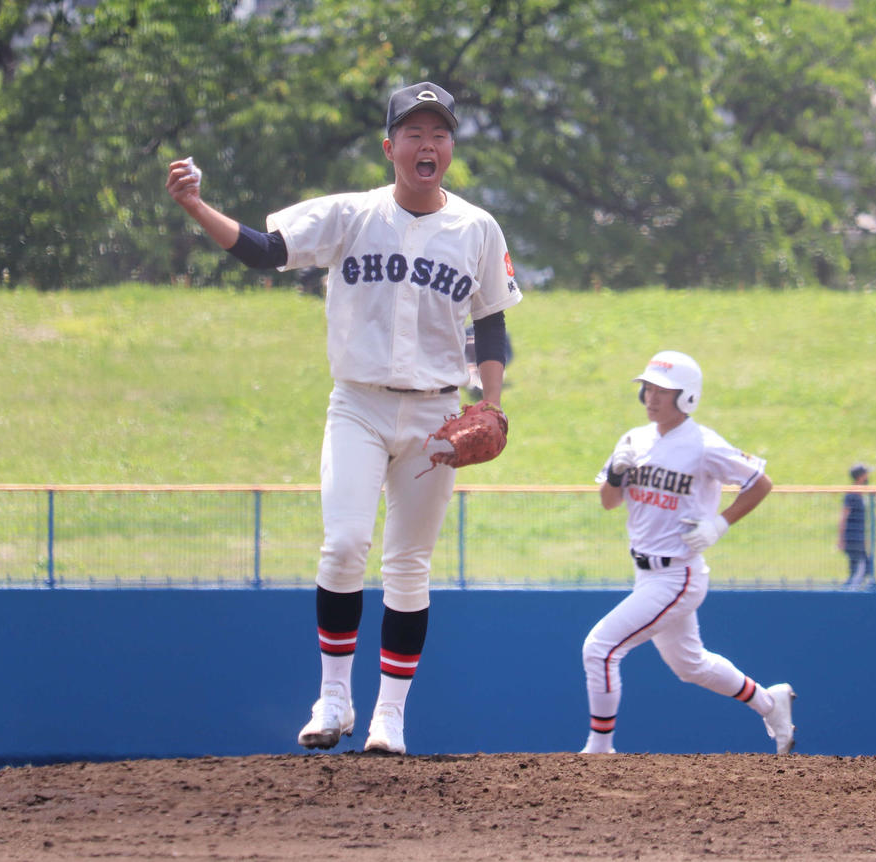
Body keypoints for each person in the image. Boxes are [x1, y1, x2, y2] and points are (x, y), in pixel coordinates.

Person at [166, 81, 521, 755]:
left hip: (436, 416)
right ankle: (333, 697)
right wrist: (195, 205)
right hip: (358, 403)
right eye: (414, 133)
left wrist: (493, 404)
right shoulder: (351, 215)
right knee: (344, 545)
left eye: (439, 133)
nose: (428, 144)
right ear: (390, 148)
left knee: (409, 566)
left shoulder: (477, 227)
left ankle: (390, 717)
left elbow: (492, 321)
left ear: (451, 147)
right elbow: (265, 250)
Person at [579, 350, 796, 756]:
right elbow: (609, 502)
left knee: (601, 648)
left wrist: (720, 522)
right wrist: (615, 474)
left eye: (663, 390)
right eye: (647, 388)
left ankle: (599, 748)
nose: (651, 397)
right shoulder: (633, 439)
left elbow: (759, 482)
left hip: (678, 575)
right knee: (690, 666)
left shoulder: (703, 444)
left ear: (687, 397)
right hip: (646, 572)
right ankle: (770, 703)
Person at [838, 463, 874, 590]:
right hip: (852, 538)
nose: (868, 477)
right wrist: (841, 539)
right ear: (860, 476)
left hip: (858, 537)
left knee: (866, 567)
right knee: (860, 568)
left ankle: (852, 589)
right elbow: (843, 517)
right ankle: (850, 592)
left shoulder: (860, 493)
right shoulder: (852, 494)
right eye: (866, 474)